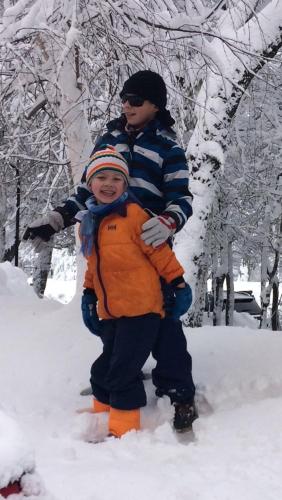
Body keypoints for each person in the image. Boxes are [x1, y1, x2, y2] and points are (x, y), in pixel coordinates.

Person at [23, 70, 197, 432]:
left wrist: (167, 221)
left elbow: (181, 198)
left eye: (135, 100)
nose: (126, 105)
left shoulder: (168, 146)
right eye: (123, 98)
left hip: (149, 244)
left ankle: (178, 391)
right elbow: (89, 186)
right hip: (108, 244)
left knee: (164, 324)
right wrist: (57, 219)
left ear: (154, 105)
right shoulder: (110, 139)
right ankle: (118, 377)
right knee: (114, 326)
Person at [78, 146, 192, 437]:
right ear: (90, 184)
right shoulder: (89, 224)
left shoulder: (134, 215)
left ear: (125, 185)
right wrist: (89, 294)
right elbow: (93, 264)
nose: (108, 184)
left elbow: (160, 253)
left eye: (116, 179)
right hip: (112, 310)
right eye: (101, 177)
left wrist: (178, 282)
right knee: (103, 367)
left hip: (142, 309)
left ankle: (123, 428)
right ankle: (102, 411)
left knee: (123, 370)